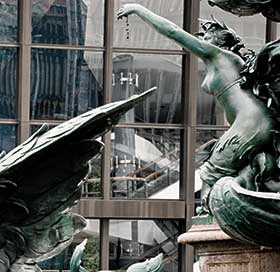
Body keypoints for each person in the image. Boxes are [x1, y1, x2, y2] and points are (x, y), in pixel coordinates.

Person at [117, 4, 279, 206]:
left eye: (208, 34)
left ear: (220, 40)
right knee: (241, 170)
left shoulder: (217, 55)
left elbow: (173, 32)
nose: (203, 38)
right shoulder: (229, 61)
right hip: (256, 123)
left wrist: (139, 9)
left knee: (210, 174)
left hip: (252, 123)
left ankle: (207, 215)